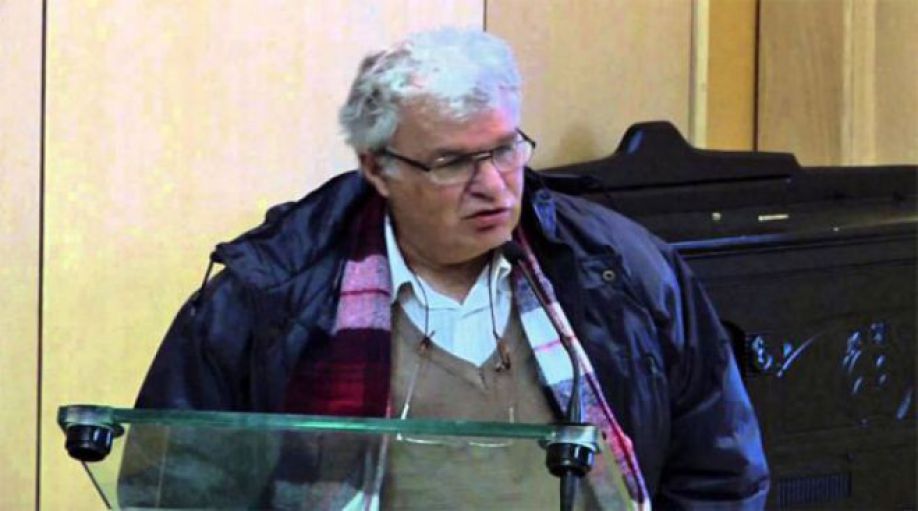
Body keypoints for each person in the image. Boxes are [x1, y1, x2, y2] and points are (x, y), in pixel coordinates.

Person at [136, 28, 769, 509]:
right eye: (453, 163)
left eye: (505, 149)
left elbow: (721, 475)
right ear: (378, 168)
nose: (493, 185)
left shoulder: (623, 270)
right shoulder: (269, 293)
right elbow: (172, 489)